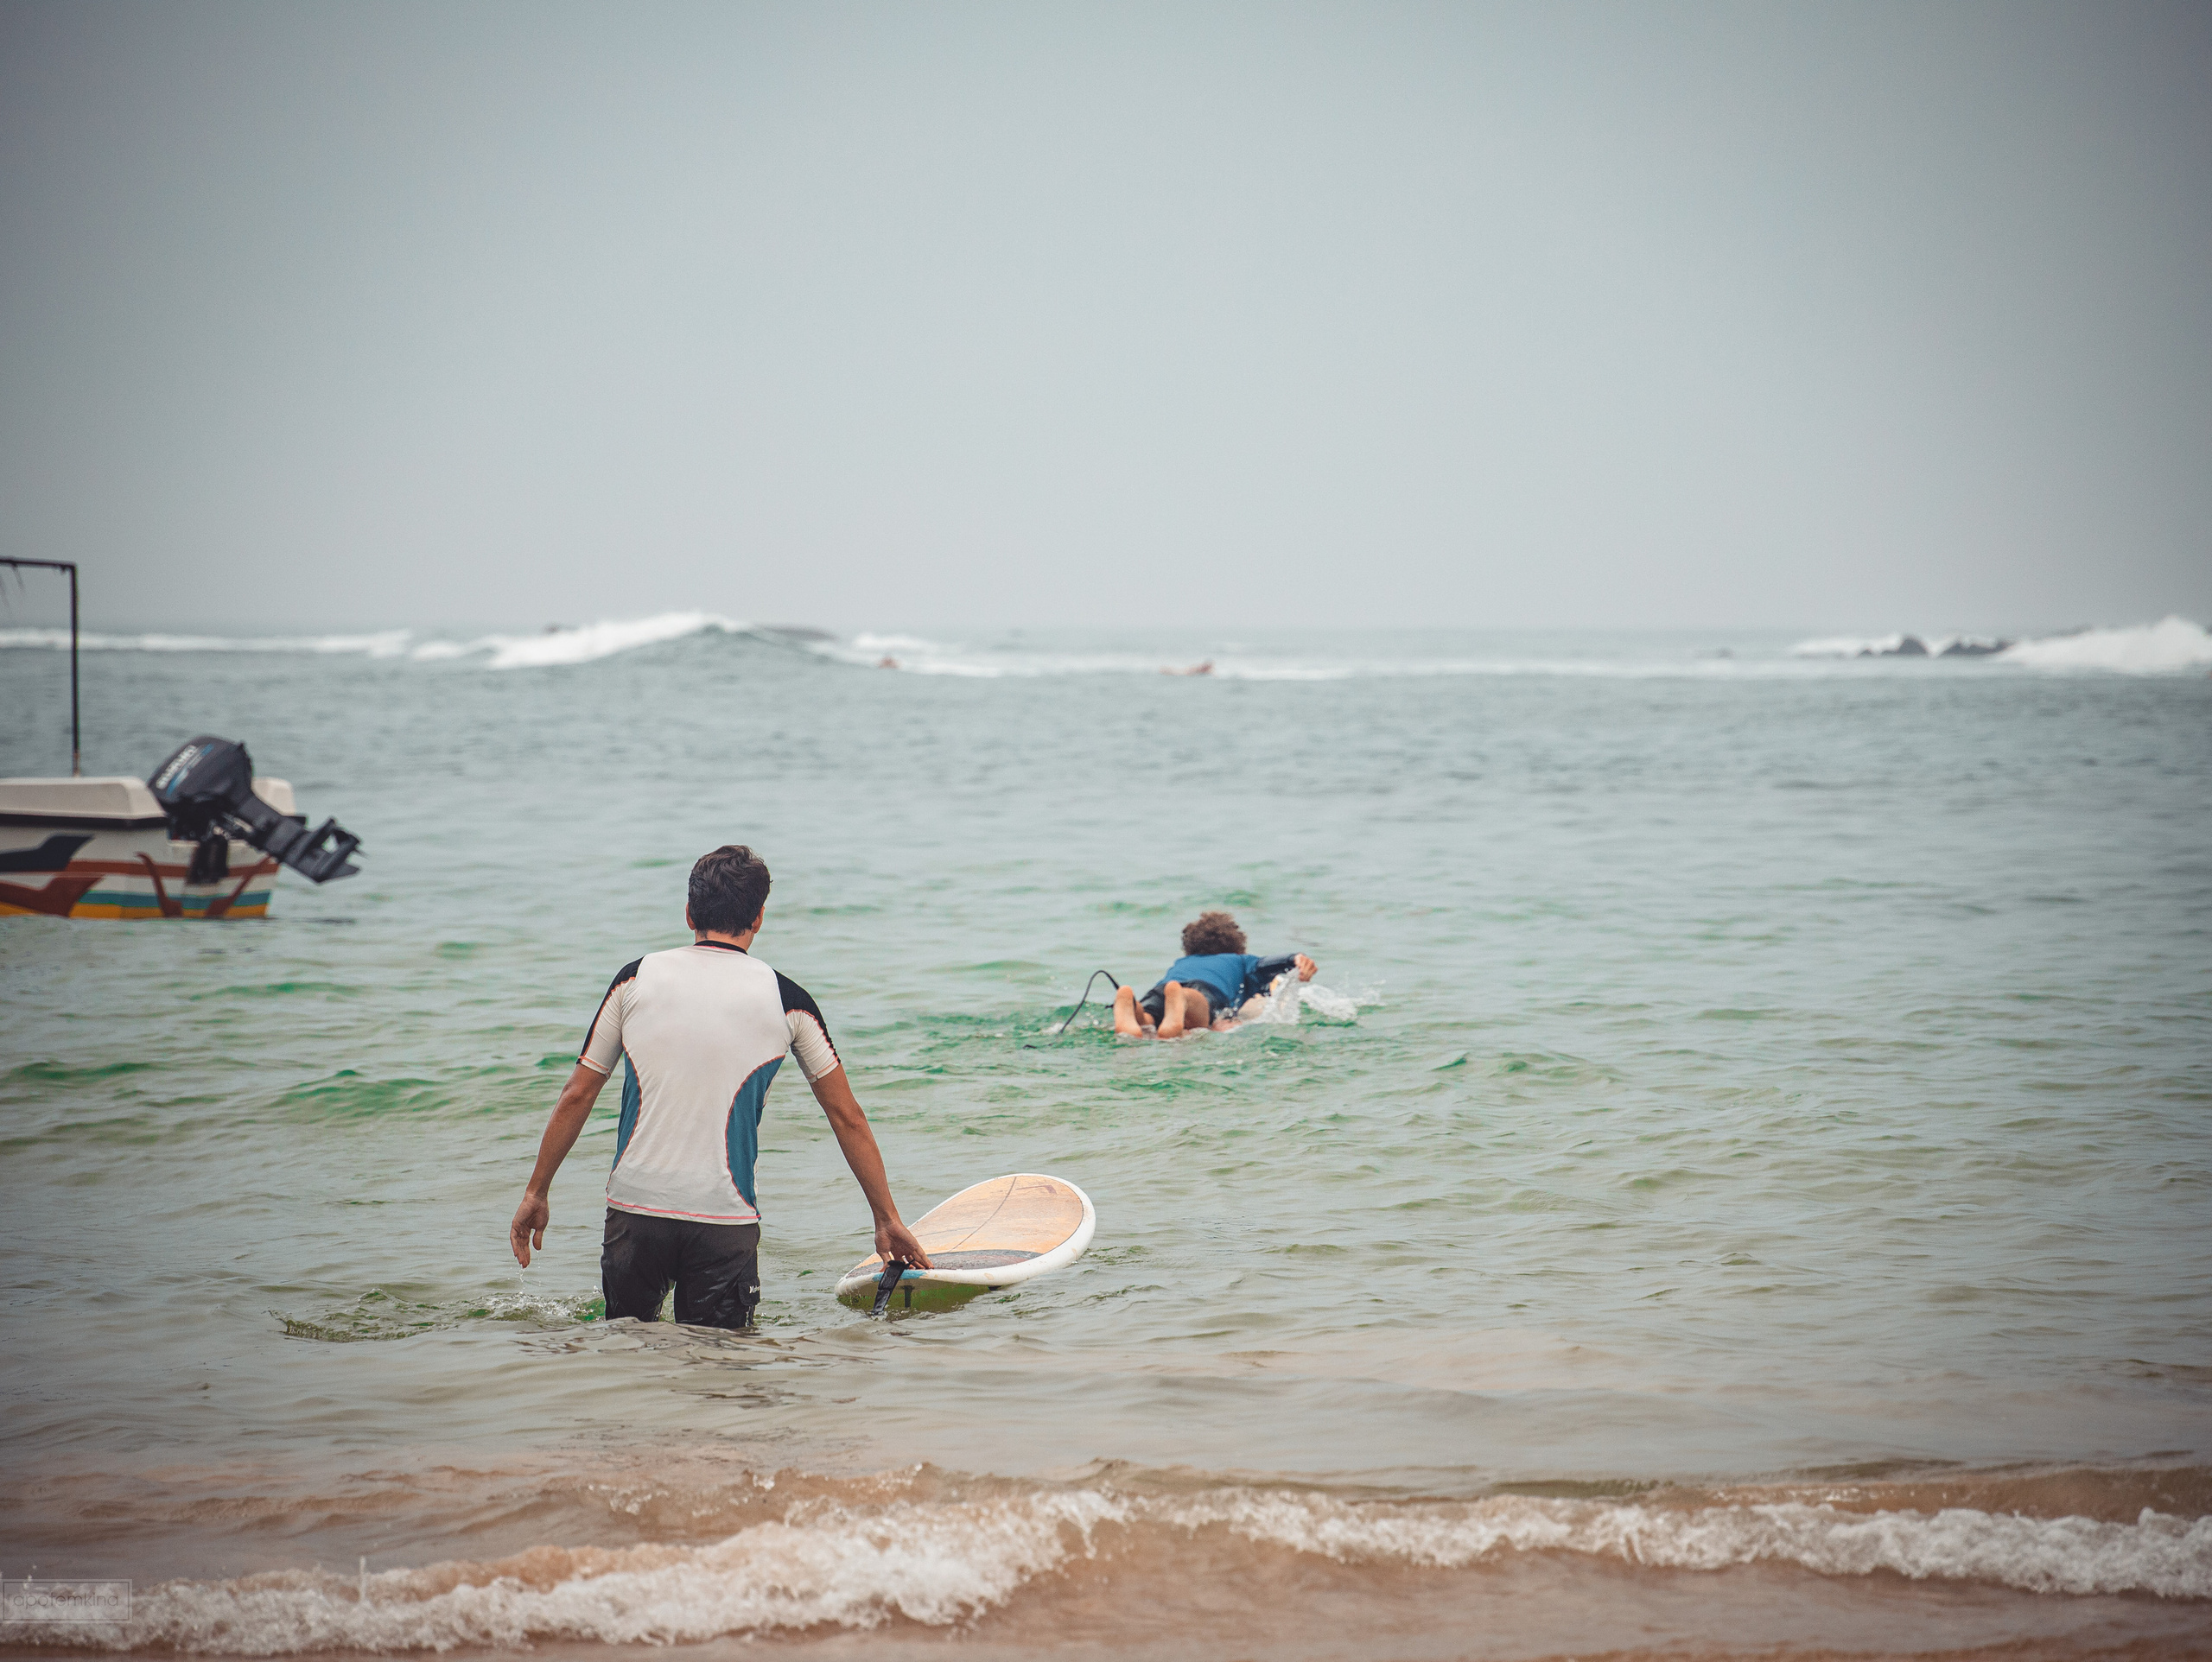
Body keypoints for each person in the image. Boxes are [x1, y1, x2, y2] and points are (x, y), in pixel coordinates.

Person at [507, 844, 931, 1329]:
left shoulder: (633, 980)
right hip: (722, 1220)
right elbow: (846, 1115)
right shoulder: (788, 999)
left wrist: (536, 1192)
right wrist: (886, 1219)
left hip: (635, 1213)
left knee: (625, 1357)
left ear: (689, 913)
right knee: (724, 1377)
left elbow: (577, 1094)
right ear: (760, 917)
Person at [1113, 909, 1317, 1037]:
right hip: (1199, 992)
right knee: (1196, 1008)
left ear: (1190, 949)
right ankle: (1181, 1000)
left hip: (1161, 990)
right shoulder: (1240, 961)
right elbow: (1267, 964)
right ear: (1238, 949)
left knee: (1150, 1019)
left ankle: (1134, 1009)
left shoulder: (1183, 963)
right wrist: (1294, 958)